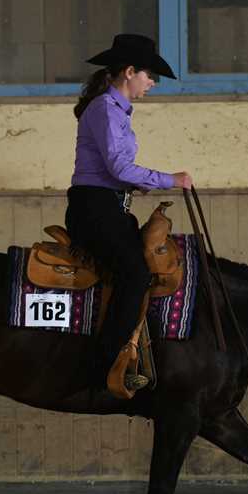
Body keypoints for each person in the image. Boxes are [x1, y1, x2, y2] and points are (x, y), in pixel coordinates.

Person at [66, 34, 193, 399]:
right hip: (95, 209)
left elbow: (115, 170)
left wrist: (138, 184)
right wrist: (170, 180)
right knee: (135, 274)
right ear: (130, 71)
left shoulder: (113, 110)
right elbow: (120, 167)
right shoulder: (106, 110)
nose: (152, 83)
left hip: (107, 207)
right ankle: (103, 365)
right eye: (150, 75)